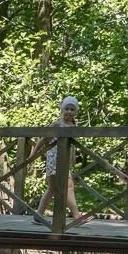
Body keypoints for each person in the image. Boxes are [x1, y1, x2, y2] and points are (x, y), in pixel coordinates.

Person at [45, 95, 82, 226]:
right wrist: (34, 153)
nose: (69, 112)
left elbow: (72, 144)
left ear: (75, 112)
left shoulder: (74, 125)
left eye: (72, 109)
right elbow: (43, 138)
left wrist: (72, 158)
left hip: (65, 158)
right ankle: (76, 215)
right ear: (62, 109)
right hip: (54, 158)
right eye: (67, 108)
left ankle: (38, 215)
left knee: (52, 188)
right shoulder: (57, 123)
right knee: (68, 185)